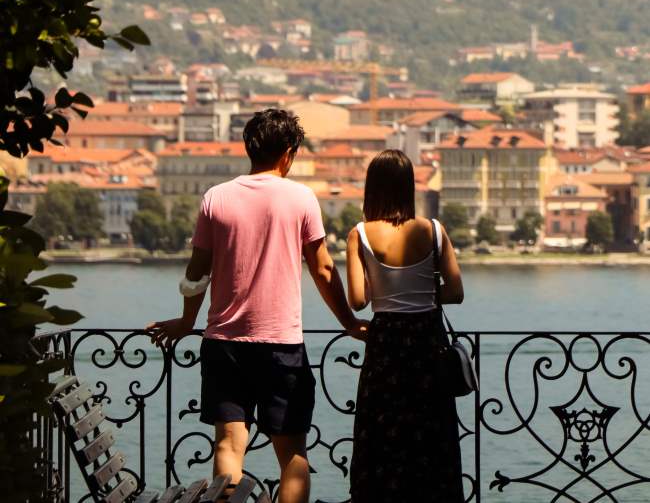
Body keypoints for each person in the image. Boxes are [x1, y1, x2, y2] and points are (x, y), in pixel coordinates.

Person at [147, 108, 367, 503]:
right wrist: (349, 322)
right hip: (281, 344)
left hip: (224, 343)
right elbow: (322, 269)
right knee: (293, 454)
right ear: (288, 152)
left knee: (229, 446)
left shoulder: (216, 197)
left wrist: (186, 320)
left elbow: (198, 270)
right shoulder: (302, 198)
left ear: (250, 148)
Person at [346, 148, 465, 503]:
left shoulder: (360, 234)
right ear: (408, 187)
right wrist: (420, 294)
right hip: (427, 340)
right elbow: (455, 292)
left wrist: (386, 289)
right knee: (430, 432)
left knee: (382, 432)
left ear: (372, 188)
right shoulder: (434, 230)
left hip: (385, 344)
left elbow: (357, 300)